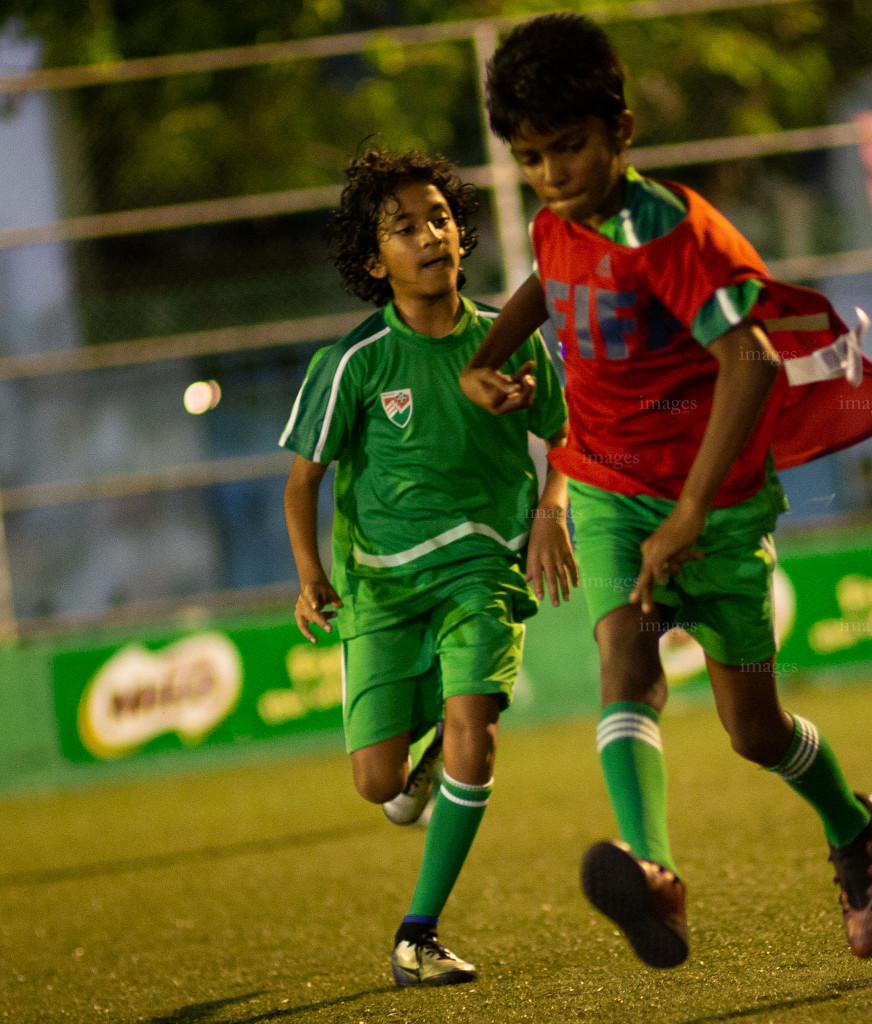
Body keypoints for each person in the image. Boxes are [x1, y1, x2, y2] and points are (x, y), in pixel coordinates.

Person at [461, 12, 872, 970]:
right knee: (624, 664)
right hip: (608, 485)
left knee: (753, 730)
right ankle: (653, 871)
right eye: (529, 157)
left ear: (620, 131)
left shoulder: (674, 233)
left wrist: (695, 512)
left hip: (716, 498)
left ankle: (857, 827)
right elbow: (546, 277)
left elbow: (746, 360)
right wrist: (486, 359)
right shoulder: (555, 220)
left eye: (569, 148)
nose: (550, 175)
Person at [280, 149, 573, 986]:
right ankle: (425, 758)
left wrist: (552, 512)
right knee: (378, 784)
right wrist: (310, 575)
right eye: (405, 228)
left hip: (483, 572)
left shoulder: (507, 341)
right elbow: (303, 482)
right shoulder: (353, 362)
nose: (431, 235)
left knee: (475, 731)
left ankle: (419, 932)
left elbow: (567, 434)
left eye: (440, 217)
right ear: (375, 263)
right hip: (380, 587)